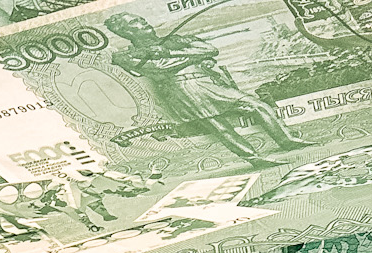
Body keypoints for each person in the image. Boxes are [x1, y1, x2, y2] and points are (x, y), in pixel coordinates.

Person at [103, 12, 299, 163]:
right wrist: (190, 56)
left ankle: (287, 140)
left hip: (208, 83)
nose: (143, 22)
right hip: (182, 90)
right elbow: (161, 68)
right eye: (135, 22)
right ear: (126, 32)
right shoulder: (126, 56)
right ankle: (254, 158)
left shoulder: (175, 40)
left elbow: (210, 49)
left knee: (257, 105)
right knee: (219, 127)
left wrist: (169, 51)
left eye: (141, 18)